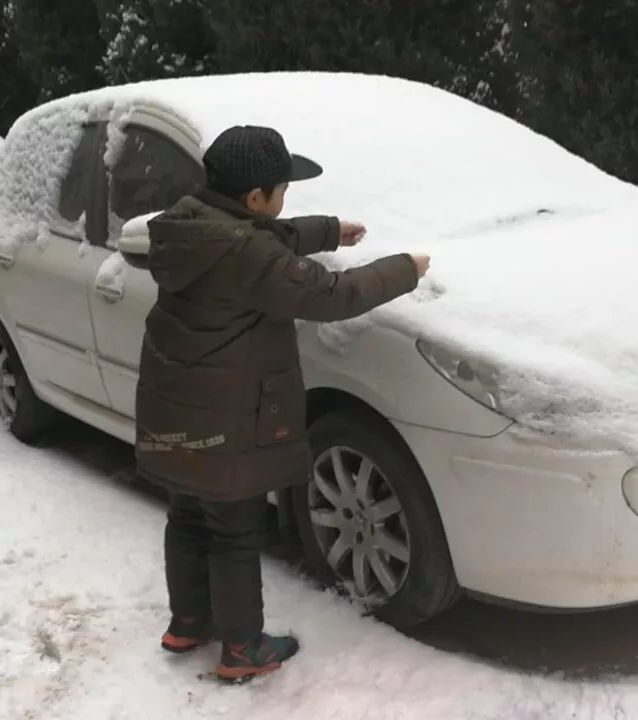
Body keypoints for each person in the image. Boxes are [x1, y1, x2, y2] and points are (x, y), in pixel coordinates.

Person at [135, 125, 430, 684]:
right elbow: (330, 295)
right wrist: (405, 269)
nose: (284, 200)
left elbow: (256, 243)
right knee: (234, 531)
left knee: (188, 517)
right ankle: (242, 649)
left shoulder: (188, 226)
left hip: (175, 411)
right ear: (255, 199)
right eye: (281, 191)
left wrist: (327, 231)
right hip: (226, 422)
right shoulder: (247, 251)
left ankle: (189, 624)